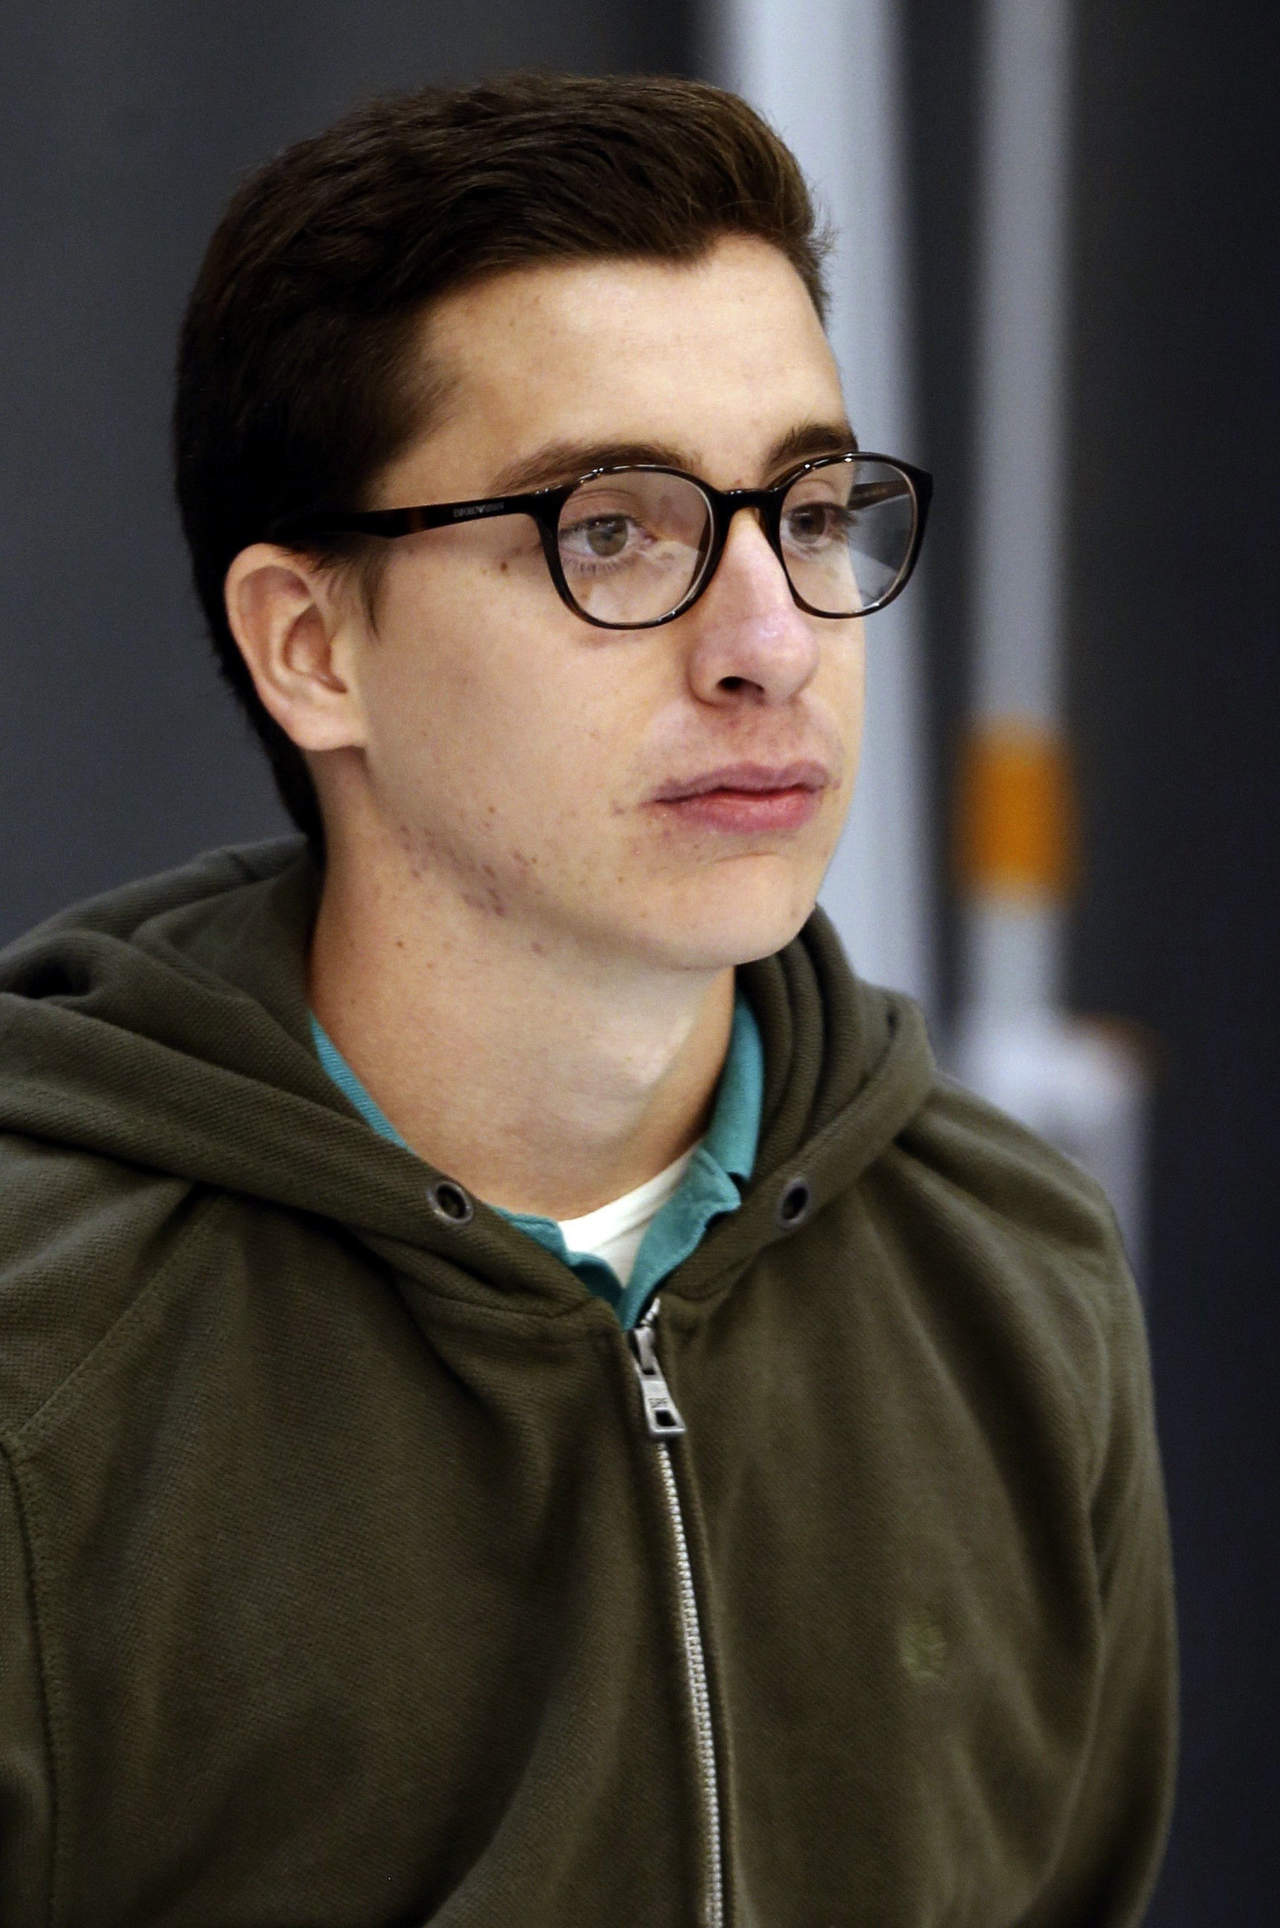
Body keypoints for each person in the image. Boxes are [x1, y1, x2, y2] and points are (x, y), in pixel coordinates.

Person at [0, 72, 1174, 1927]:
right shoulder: (41, 1356)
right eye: (613, 529)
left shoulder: (1016, 1274)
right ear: (311, 646)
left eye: (810, 511)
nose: (773, 642)